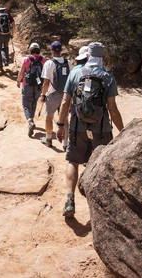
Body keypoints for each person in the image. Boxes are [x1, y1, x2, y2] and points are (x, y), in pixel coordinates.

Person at [56, 42, 124, 218]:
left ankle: (70, 200)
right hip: (101, 129)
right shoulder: (107, 77)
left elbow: (65, 102)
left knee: (72, 161)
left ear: (87, 56)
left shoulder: (75, 73)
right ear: (103, 57)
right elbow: (113, 109)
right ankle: (102, 207)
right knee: (102, 164)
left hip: (77, 127)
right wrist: (123, 130)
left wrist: (61, 124)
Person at [37, 40, 70, 147]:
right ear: (61, 50)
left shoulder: (49, 63)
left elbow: (46, 83)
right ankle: (65, 144)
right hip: (66, 94)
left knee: (49, 117)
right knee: (64, 119)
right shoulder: (68, 63)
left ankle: (49, 139)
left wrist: (43, 95)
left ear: (51, 51)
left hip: (53, 95)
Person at [17, 42, 46, 137]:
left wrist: (18, 81)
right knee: (34, 102)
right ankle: (32, 119)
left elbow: (22, 72)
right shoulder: (43, 60)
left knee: (26, 103)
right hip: (38, 85)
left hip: (27, 84)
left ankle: (30, 121)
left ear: (30, 50)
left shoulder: (26, 59)